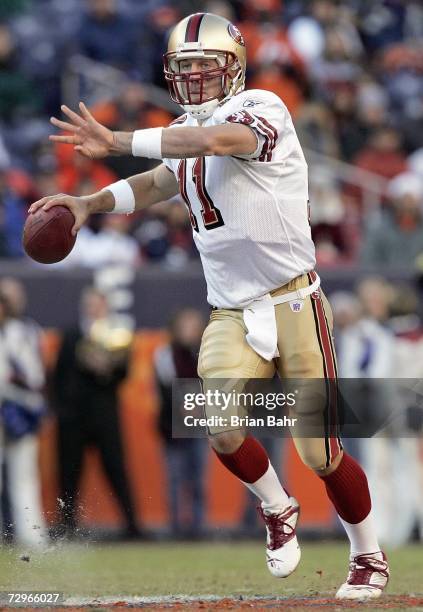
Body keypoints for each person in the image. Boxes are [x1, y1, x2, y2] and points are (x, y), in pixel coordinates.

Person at [29, 12, 389, 600]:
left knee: (320, 453)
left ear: (234, 68)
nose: (195, 78)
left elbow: (216, 140)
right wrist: (90, 203)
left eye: (205, 66)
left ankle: (368, 555)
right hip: (230, 309)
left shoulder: (264, 107)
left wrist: (118, 140)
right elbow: (157, 182)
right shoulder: (181, 129)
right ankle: (277, 507)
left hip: (294, 301)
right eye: (185, 68)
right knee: (219, 426)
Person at [51, 286, 140, 539]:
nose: (94, 308)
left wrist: (106, 369)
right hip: (73, 417)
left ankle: (132, 525)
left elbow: (123, 374)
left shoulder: (117, 336)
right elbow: (58, 375)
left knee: (116, 469)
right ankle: (67, 526)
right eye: (90, 304)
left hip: (104, 415)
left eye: (98, 304)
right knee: (69, 472)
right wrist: (61, 409)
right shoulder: (71, 334)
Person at [0, 279, 47, 547]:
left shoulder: (25, 331)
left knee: (24, 475)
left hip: (20, 406)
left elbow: (35, 375)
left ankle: (32, 535)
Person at [154, 308, 208, 538]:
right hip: (173, 426)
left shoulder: (206, 352)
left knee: (198, 479)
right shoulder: (165, 353)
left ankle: (198, 526)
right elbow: (166, 387)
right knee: (175, 478)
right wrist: (185, 403)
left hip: (201, 424)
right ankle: (175, 527)